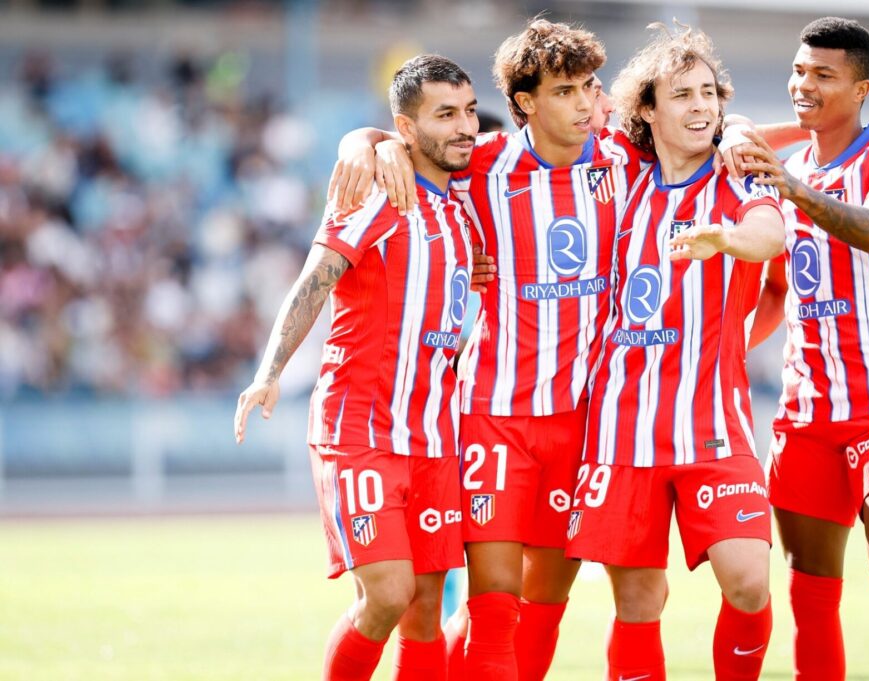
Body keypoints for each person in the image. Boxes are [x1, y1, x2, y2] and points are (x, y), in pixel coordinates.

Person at [329, 18, 650, 680]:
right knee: (495, 607)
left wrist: (737, 133)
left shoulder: (622, 157)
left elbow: (701, 136)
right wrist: (366, 142)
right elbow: (403, 141)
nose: (585, 102)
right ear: (526, 102)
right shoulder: (487, 163)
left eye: (590, 87)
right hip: (494, 418)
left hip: (583, 424)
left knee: (542, 606)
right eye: (566, 90)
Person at [233, 54, 478, 681]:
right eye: (445, 114)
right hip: (360, 429)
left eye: (469, 111)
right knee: (390, 594)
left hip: (432, 436)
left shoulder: (464, 206)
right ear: (406, 126)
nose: (464, 127)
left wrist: (368, 138)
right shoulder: (375, 196)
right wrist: (269, 369)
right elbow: (314, 280)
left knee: (425, 610)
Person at [564, 23, 785, 681]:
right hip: (621, 432)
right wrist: (367, 139)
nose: (701, 107)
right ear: (648, 110)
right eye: (681, 94)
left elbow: (769, 233)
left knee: (748, 579)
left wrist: (727, 238)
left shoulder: (737, 172)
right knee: (638, 597)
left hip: (713, 426)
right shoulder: (618, 175)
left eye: (709, 93)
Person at [737, 17, 869, 681]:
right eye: (800, 71)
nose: (804, 84)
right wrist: (724, 349)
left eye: (823, 75)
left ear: (860, 89)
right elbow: (777, 290)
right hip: (806, 413)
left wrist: (791, 186)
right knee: (809, 593)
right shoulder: (788, 166)